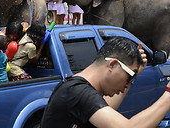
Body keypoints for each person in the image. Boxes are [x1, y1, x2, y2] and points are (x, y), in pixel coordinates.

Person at [39, 37, 170, 128]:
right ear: (112, 65)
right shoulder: (76, 91)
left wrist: (133, 75)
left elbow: (106, 108)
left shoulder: (76, 89)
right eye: (129, 77)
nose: (126, 85)